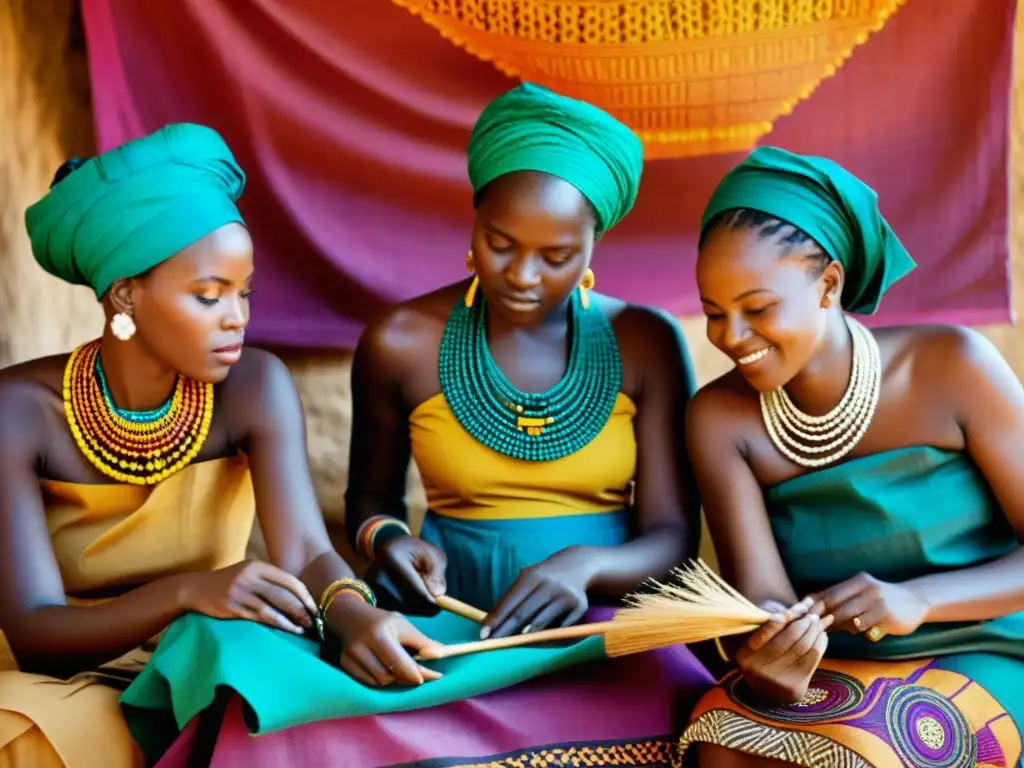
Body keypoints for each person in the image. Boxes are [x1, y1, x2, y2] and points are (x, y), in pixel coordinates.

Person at [148, 83, 713, 768]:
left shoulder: (646, 342)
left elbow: (674, 537)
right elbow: (371, 504)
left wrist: (587, 566)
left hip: (598, 624)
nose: (524, 275)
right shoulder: (402, 341)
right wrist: (388, 542)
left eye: (556, 255)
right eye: (500, 243)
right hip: (443, 624)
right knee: (271, 699)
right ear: (473, 224)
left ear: (594, 244)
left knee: (684, 711)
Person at [0, 123, 440, 768]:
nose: (238, 317)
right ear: (124, 293)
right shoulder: (19, 412)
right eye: (209, 296)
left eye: (244, 292)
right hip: (62, 679)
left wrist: (352, 612)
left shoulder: (253, 386)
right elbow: (37, 635)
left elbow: (310, 551)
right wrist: (187, 591)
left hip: (207, 654)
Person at [679, 146, 1023, 767]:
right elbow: (763, 598)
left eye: (757, 309)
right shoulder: (719, 418)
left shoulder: (952, 366)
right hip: (835, 666)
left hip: (984, 647)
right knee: (720, 742)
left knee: (874, 750)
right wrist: (769, 653)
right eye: (713, 313)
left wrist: (920, 600)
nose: (731, 336)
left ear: (828, 284)